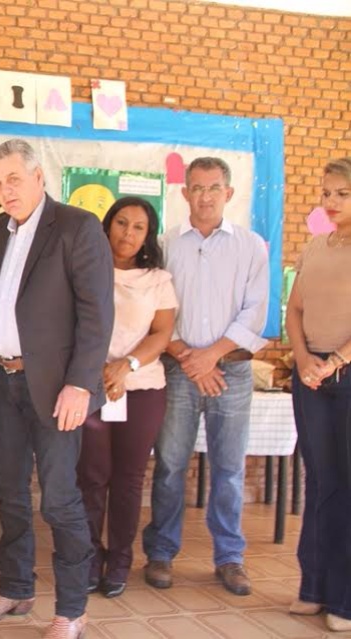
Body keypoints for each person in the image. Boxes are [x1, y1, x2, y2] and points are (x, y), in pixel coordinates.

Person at [0, 138, 114, 639]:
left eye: (15, 180)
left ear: (39, 177)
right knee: (7, 489)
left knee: (59, 499)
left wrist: (80, 385)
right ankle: (16, 587)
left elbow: (97, 315)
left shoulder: (76, 227)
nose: (6, 191)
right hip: (2, 381)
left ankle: (71, 609)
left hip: (55, 388)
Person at [142, 157, 269, 597]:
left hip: (230, 371)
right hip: (178, 372)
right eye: (196, 188)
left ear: (228, 193)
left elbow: (255, 312)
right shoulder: (166, 245)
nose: (205, 196)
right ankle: (161, 552)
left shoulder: (252, 246)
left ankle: (230, 558)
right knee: (171, 465)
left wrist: (211, 357)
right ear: (184, 193)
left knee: (230, 469)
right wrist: (186, 356)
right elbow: (153, 308)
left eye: (214, 188)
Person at [76, 197, 177, 599]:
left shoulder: (158, 279)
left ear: (148, 235)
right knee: (91, 476)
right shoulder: (85, 270)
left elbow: (162, 334)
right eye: (121, 223)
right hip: (91, 386)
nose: (128, 233)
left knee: (128, 479)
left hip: (141, 389)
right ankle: (86, 558)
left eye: (138, 227)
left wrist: (125, 366)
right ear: (106, 226)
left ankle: (119, 559)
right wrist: (101, 370)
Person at [284, 157, 351, 633]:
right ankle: (314, 588)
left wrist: (336, 361)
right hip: (311, 377)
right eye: (326, 192)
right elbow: (295, 308)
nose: (330, 202)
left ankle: (345, 600)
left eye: (341, 194)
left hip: (346, 373)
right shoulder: (315, 245)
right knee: (321, 482)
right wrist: (304, 358)